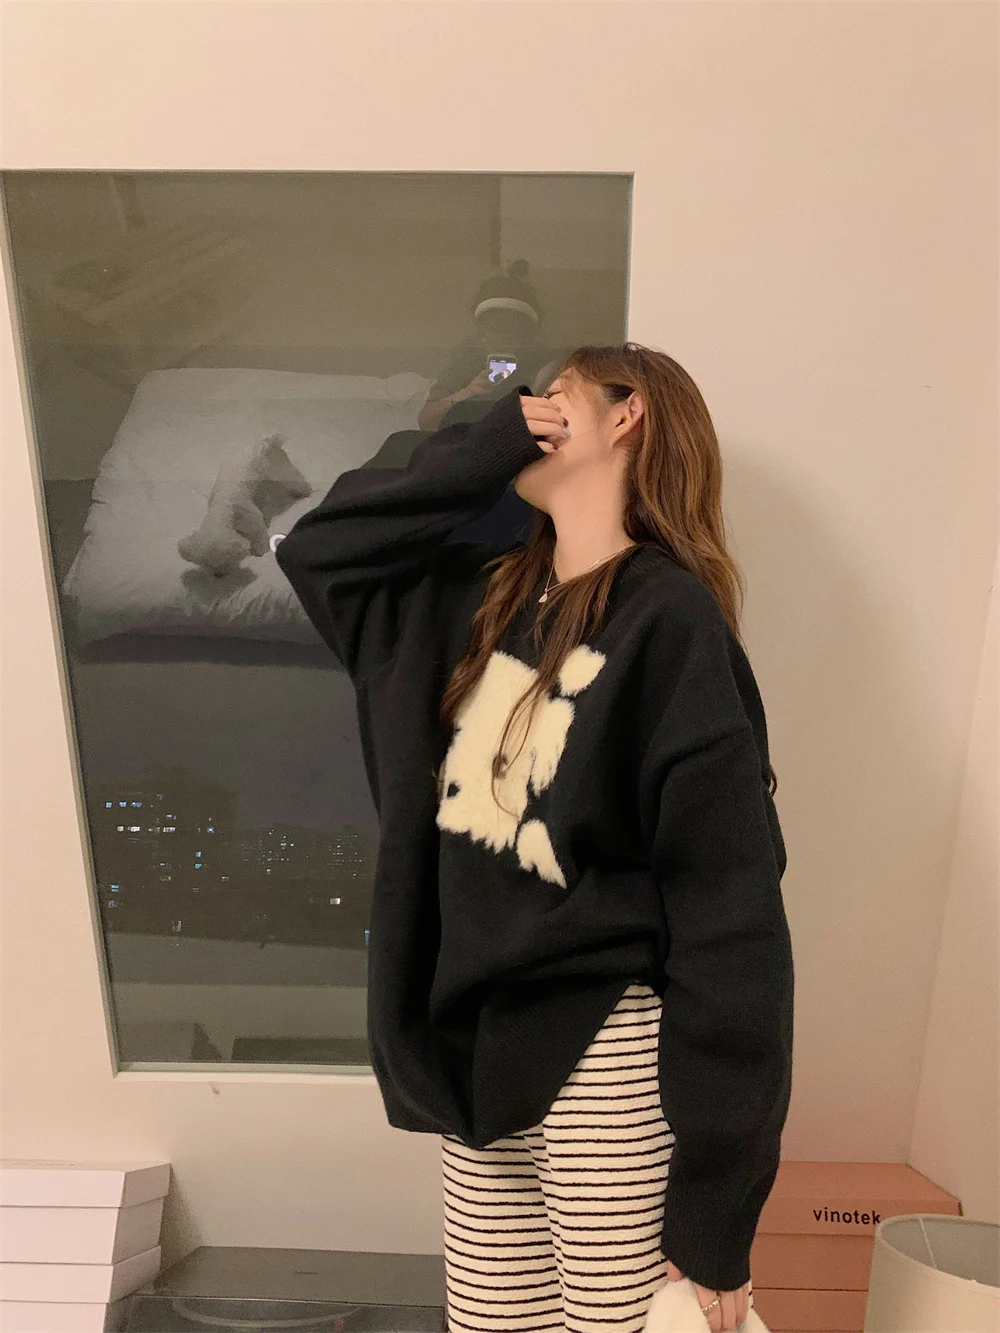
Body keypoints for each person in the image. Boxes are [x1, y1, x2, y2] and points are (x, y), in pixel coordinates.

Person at [275, 342, 794, 1333]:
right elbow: (321, 547)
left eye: (556, 397)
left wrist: (716, 1207)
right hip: (473, 1048)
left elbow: (730, 916)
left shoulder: (667, 619)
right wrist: (482, 444)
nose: (530, 412)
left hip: (604, 1045)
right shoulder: (476, 602)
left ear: (628, 415)